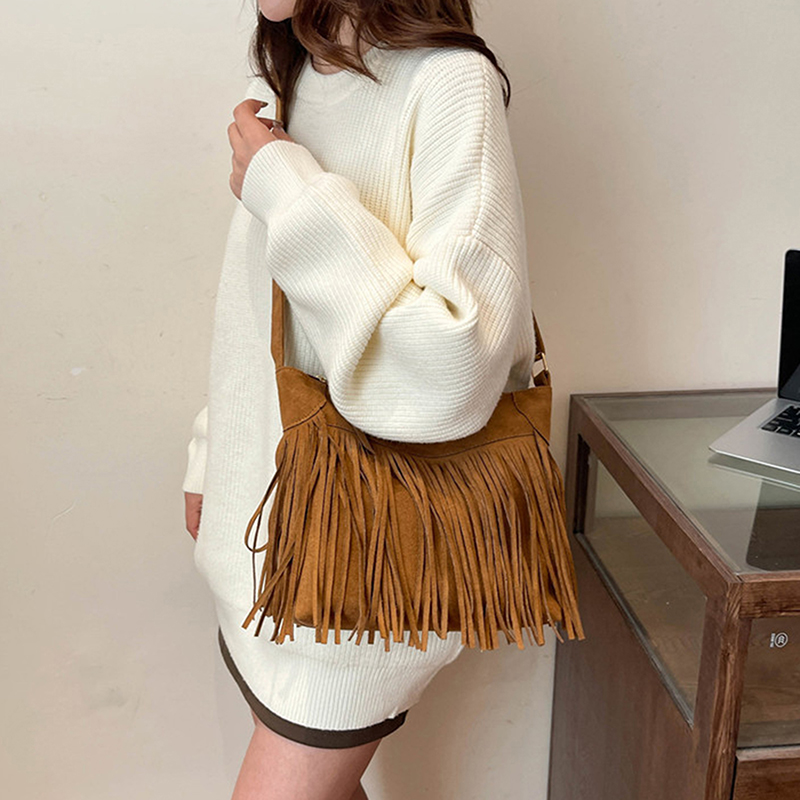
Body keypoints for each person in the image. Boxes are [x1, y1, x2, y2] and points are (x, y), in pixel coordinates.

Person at [182, 1, 539, 798]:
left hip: (363, 572)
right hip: (265, 539)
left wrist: (289, 190)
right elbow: (258, 309)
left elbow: (452, 363)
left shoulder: (449, 82)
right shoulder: (297, 70)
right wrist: (215, 449)